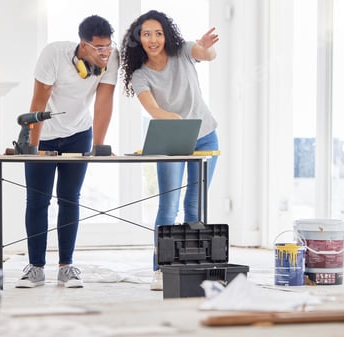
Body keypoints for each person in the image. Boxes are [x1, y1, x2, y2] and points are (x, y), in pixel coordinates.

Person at [16, 15, 119, 288]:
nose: (105, 52)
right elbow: (38, 102)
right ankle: (35, 268)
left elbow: (104, 101)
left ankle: (66, 267)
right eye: (99, 48)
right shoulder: (54, 55)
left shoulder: (111, 58)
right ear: (83, 45)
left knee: (69, 198)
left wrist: (99, 145)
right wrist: (32, 149)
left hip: (78, 134)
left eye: (108, 46)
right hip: (45, 136)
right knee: (37, 201)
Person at [120, 10, 220, 291]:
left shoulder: (184, 52)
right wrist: (176, 121)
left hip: (205, 137)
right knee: (168, 207)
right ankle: (161, 270)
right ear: (138, 39)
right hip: (172, 139)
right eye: (146, 34)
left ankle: (191, 266)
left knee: (194, 205)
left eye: (158, 33)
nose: (153, 39)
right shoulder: (139, 75)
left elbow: (205, 54)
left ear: (167, 35)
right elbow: (153, 109)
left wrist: (206, 47)